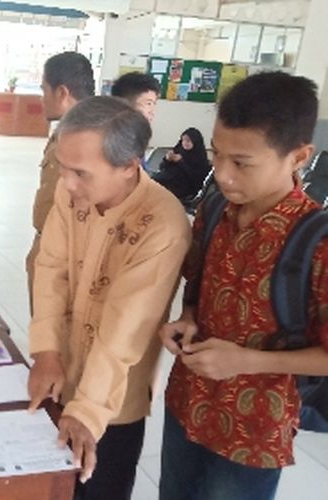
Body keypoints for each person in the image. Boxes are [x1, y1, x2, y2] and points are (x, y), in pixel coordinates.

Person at [159, 72, 328, 500]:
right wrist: (188, 319)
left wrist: (247, 361)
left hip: (253, 433)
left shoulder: (317, 241)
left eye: (242, 163)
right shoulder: (214, 209)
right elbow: (199, 286)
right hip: (187, 400)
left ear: (299, 157)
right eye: (217, 156)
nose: (223, 175)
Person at [27, 96, 191, 500]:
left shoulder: (162, 223)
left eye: (80, 172)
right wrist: (46, 350)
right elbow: (51, 270)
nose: (67, 184)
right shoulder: (71, 195)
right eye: (63, 168)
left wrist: (86, 412)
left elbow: (126, 329)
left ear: (129, 166)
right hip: (60, 372)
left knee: (99, 488)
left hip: (112, 401)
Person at [26, 51, 94, 313]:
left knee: (56, 336)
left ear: (62, 92)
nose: (42, 98)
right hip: (49, 244)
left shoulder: (84, 137)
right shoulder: (67, 129)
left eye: (44, 90)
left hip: (63, 256)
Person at [153, 127, 211, 201]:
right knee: (152, 182)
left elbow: (196, 178)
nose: (185, 143)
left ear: (195, 142)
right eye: (183, 140)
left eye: (188, 140)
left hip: (186, 187)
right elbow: (162, 167)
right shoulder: (179, 150)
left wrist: (181, 161)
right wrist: (167, 159)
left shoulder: (199, 157)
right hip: (169, 181)